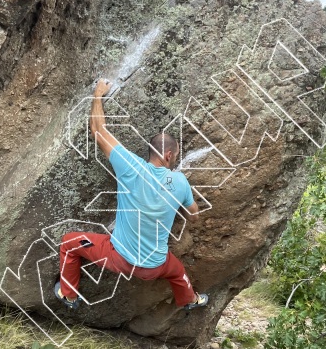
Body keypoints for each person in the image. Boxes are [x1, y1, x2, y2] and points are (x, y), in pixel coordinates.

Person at [54, 79, 209, 311]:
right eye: (175, 156)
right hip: (158, 266)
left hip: (119, 259)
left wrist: (98, 95)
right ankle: (191, 300)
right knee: (177, 272)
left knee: (69, 243)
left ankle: (68, 295)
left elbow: (98, 130)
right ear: (168, 155)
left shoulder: (130, 166)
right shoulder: (180, 182)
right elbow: (194, 216)